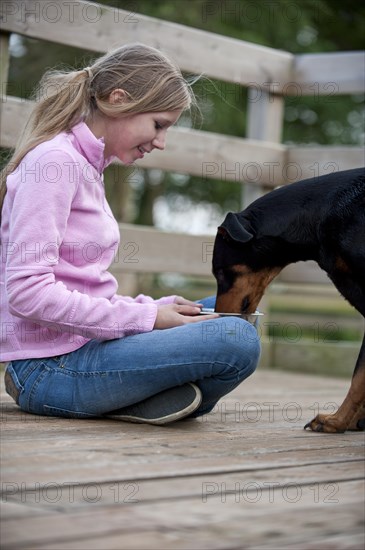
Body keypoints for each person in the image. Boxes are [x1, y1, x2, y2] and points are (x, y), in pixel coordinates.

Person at [0, 43, 260, 425]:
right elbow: (27, 294)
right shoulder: (55, 163)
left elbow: (87, 291)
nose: (161, 142)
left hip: (87, 347)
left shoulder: (88, 167)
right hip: (47, 368)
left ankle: (137, 400)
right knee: (236, 340)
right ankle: (137, 397)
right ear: (117, 100)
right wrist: (149, 317)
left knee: (236, 308)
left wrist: (154, 305)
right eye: (159, 124)